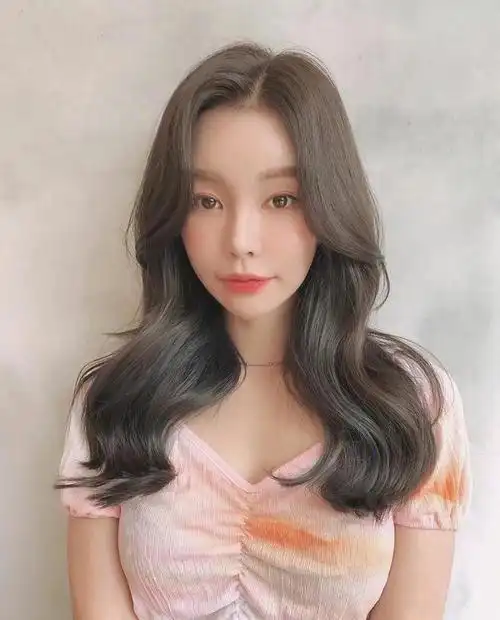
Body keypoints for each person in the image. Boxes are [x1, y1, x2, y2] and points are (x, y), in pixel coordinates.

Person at [55, 41, 472, 620]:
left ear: (329, 206)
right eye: (206, 201)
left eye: (281, 199)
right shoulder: (115, 402)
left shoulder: (412, 405)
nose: (241, 241)